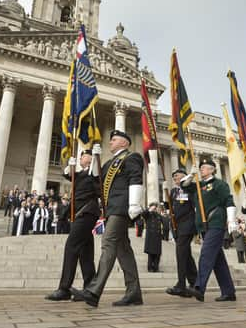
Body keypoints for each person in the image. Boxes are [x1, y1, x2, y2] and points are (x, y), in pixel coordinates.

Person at [73, 130, 144, 307]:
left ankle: (94, 290)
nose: (110, 142)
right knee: (123, 250)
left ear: (125, 143)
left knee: (108, 242)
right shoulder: (109, 163)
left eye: (114, 140)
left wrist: (134, 204)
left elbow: (136, 179)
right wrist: (95, 157)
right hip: (111, 209)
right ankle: (134, 292)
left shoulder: (131, 157)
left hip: (121, 207)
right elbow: (96, 178)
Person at [46, 149, 100, 301]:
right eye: (82, 156)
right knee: (85, 252)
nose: (82, 158)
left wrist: (96, 158)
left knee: (71, 246)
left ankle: (64, 288)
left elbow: (96, 178)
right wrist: (71, 165)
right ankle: (89, 288)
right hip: (79, 215)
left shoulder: (94, 172)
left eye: (85, 155)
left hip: (86, 213)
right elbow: (67, 174)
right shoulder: (80, 174)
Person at [183, 157, 237, 302]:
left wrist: (231, 219)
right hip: (204, 226)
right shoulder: (199, 186)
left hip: (216, 222)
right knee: (218, 260)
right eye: (200, 168)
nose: (201, 170)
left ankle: (199, 288)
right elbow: (184, 185)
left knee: (206, 254)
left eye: (204, 167)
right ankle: (228, 292)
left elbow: (229, 200)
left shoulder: (219, 184)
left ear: (212, 169)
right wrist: (190, 174)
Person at [163, 169, 198, 297]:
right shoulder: (173, 191)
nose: (175, 179)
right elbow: (168, 207)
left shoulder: (189, 189)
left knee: (181, 254)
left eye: (177, 176)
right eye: (174, 177)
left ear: (184, 177)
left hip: (187, 224)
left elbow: (194, 205)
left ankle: (181, 285)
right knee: (186, 254)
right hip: (176, 226)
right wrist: (164, 192)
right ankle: (195, 283)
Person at [142, 202, 163, 273]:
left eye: (156, 207)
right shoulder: (148, 215)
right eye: (154, 207)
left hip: (157, 237)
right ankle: (150, 267)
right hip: (150, 237)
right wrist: (149, 209)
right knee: (151, 254)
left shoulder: (158, 215)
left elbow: (164, 223)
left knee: (157, 254)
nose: (155, 209)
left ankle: (156, 267)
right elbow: (143, 214)